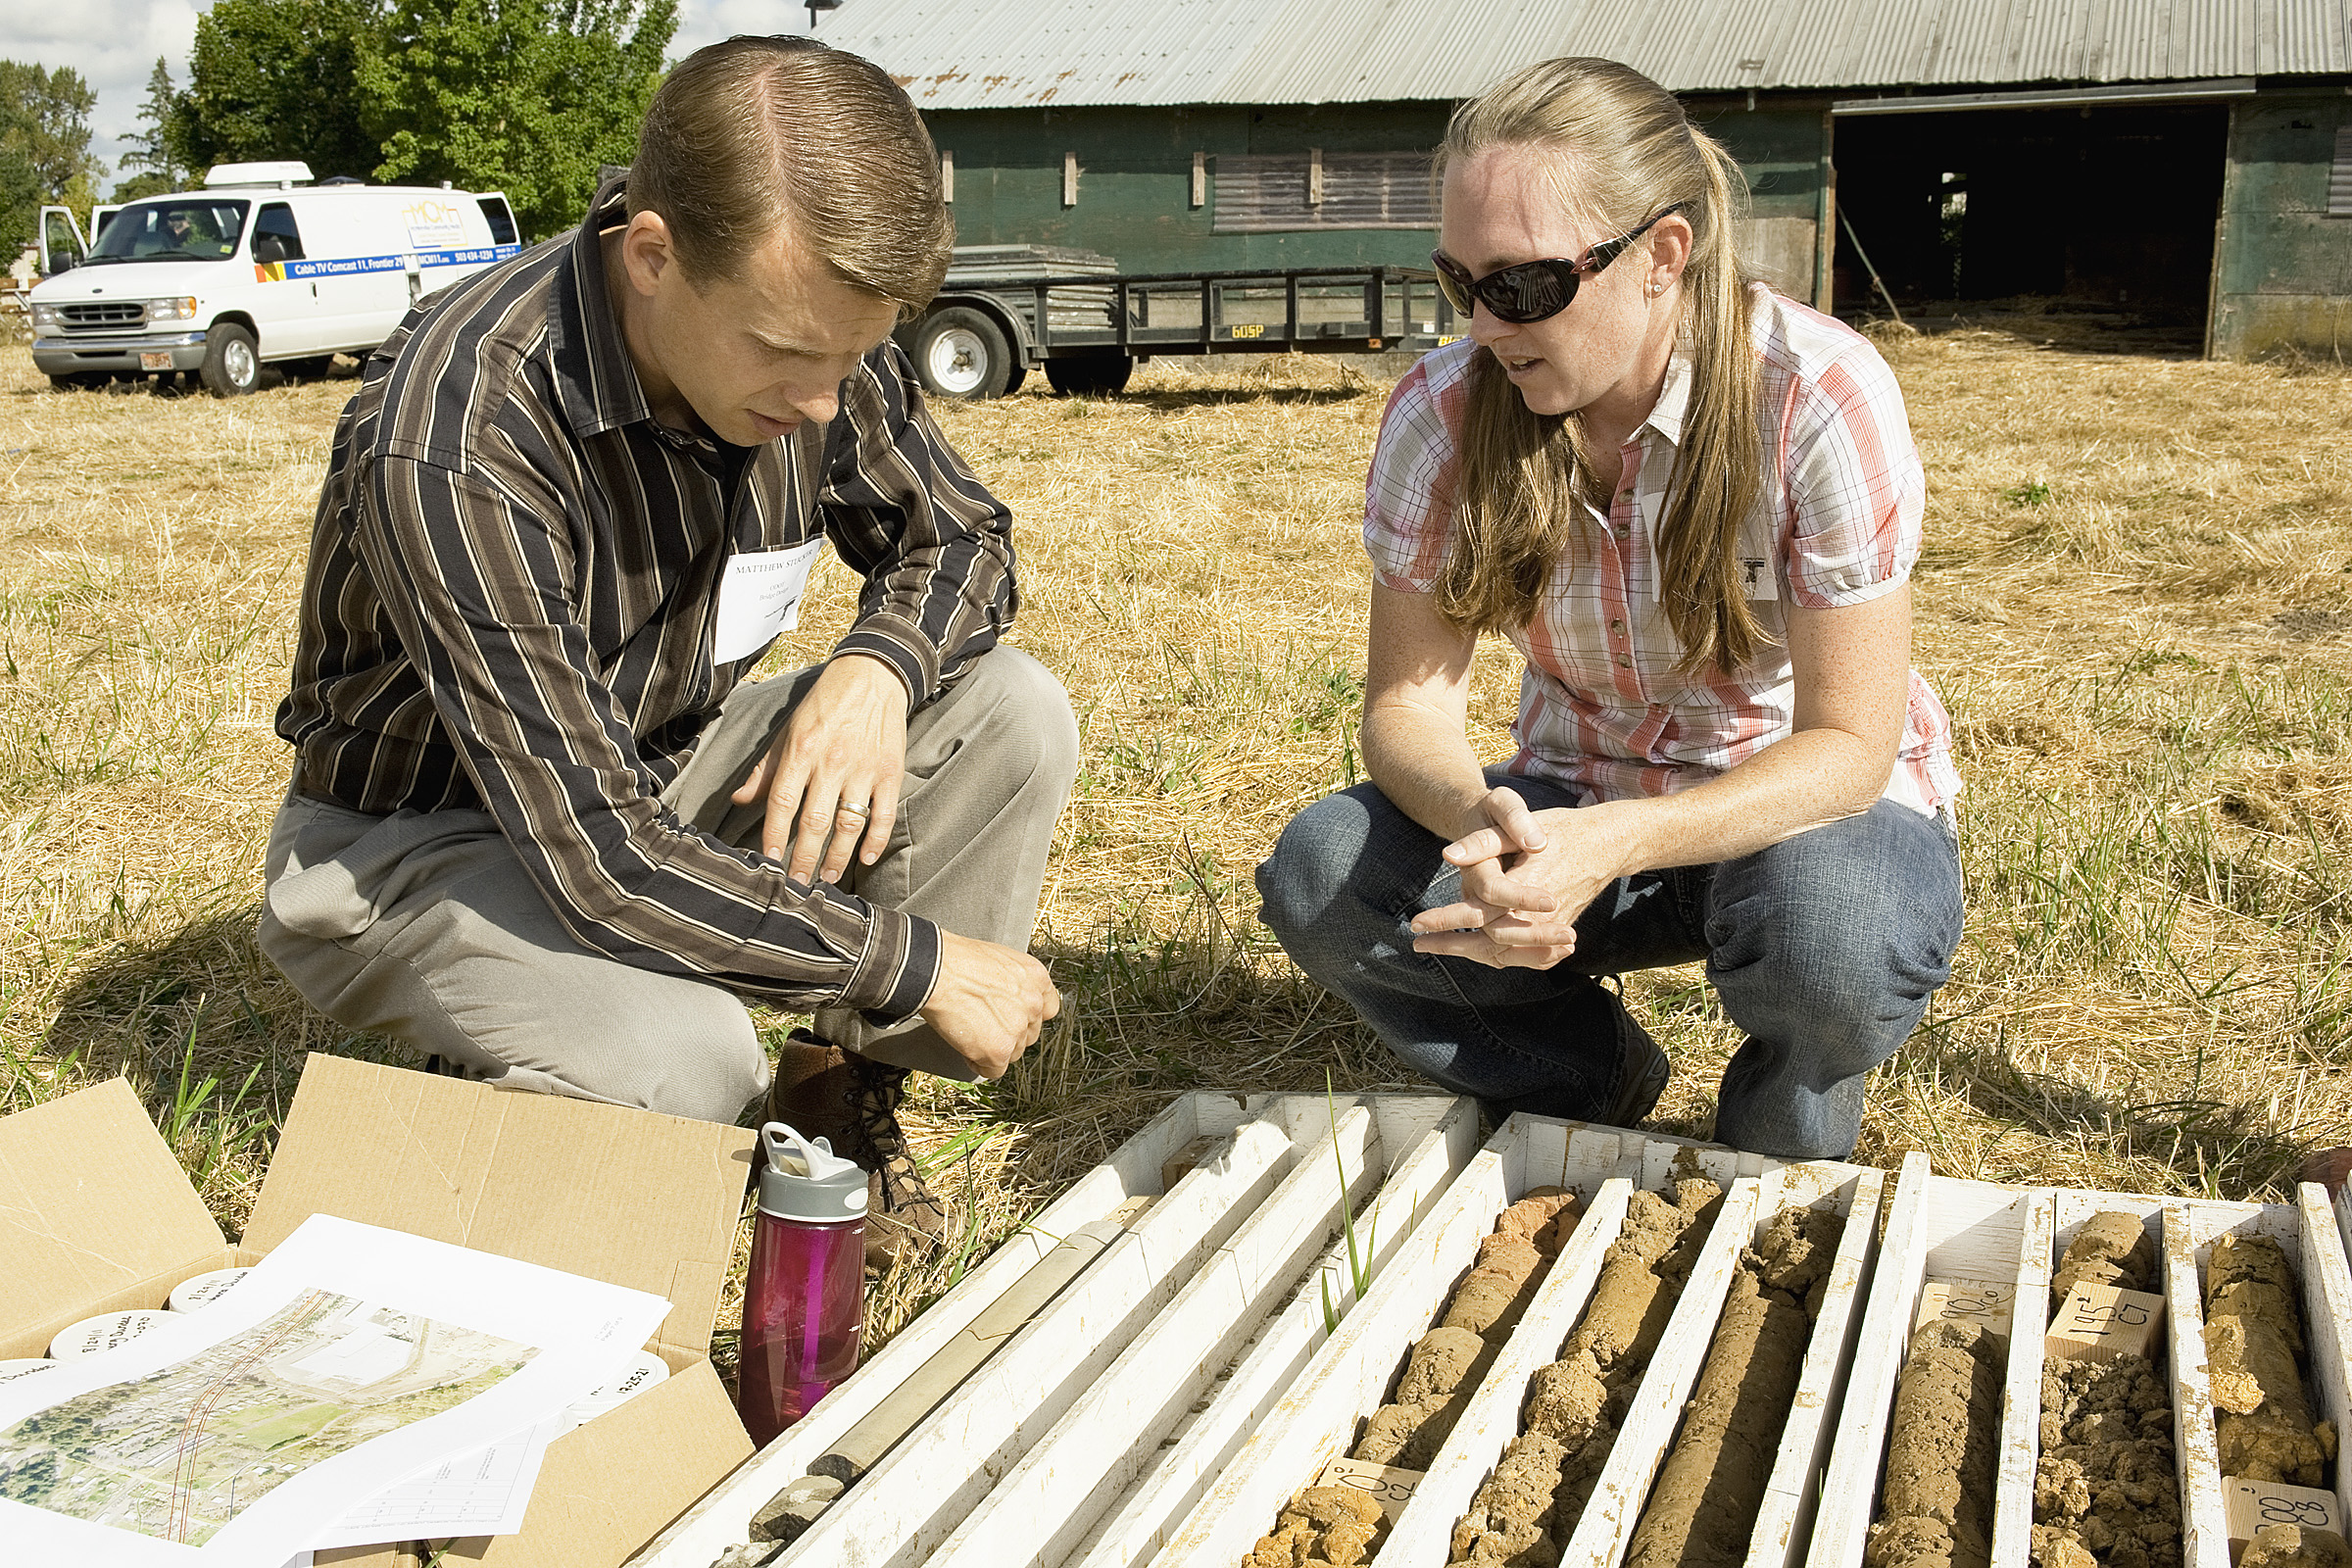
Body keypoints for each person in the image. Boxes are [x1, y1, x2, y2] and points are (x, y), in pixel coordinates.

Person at [261, 36, 1077, 1264]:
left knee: (1009, 710)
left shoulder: (804, 326)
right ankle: (510, 1068)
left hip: (654, 767)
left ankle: (835, 1091)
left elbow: (963, 541)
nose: (825, 401)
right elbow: (596, 860)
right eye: (791, 354)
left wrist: (876, 670)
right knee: (686, 1055)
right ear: (651, 255)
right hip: (425, 840)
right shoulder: (458, 431)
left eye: (856, 357)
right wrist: (908, 963)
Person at [1255, 57, 1965, 1161]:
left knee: (1831, 935)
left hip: (1793, 823)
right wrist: (1490, 826)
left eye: (1524, 286)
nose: (1487, 325)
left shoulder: (1815, 396)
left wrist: (1617, 840)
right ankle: (1580, 1078)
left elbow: (1850, 745)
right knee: (1322, 872)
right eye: (1462, 283)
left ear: (1660, 258)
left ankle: (1778, 1146)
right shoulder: (1443, 416)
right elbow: (1405, 712)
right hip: (1568, 799)